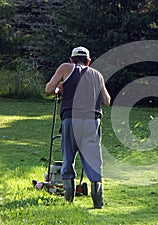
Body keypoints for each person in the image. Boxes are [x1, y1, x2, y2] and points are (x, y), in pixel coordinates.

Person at [45, 46, 111, 209]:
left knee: (68, 157)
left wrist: (59, 89)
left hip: (71, 118)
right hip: (92, 120)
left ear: (71, 59)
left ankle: (69, 200)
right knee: (94, 160)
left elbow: (48, 89)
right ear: (88, 61)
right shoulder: (97, 75)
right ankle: (97, 202)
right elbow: (107, 101)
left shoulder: (65, 68)